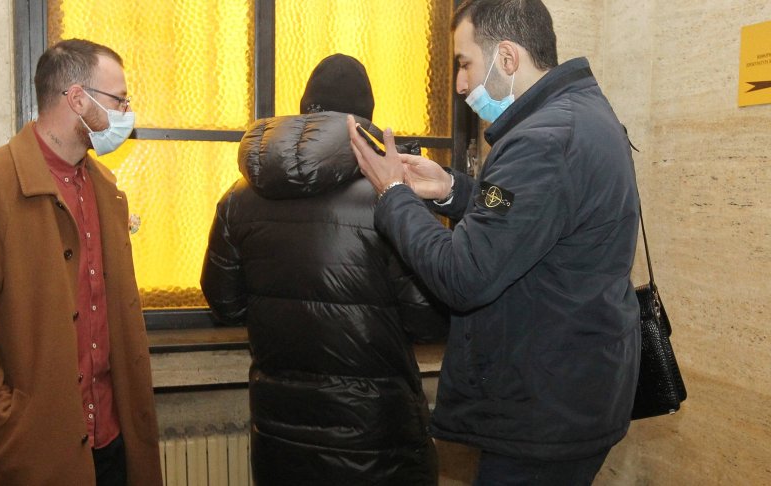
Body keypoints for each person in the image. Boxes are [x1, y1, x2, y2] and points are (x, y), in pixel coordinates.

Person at [347, 1, 641, 484]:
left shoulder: (542, 140)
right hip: (571, 390)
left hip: (544, 409)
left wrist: (393, 194)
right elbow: (530, 216)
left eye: (465, 64)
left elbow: (463, 276)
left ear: (507, 57)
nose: (460, 85)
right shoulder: (575, 115)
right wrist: (451, 189)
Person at [201, 53, 448, 485]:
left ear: (306, 111)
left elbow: (225, 304)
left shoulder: (238, 198)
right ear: (365, 119)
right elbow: (428, 320)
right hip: (376, 437)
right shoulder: (390, 197)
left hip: (280, 433)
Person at [0, 39, 162, 485]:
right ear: (78, 99)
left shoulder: (106, 190)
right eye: (119, 100)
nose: (127, 113)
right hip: (32, 454)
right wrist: (7, 426)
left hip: (111, 445)